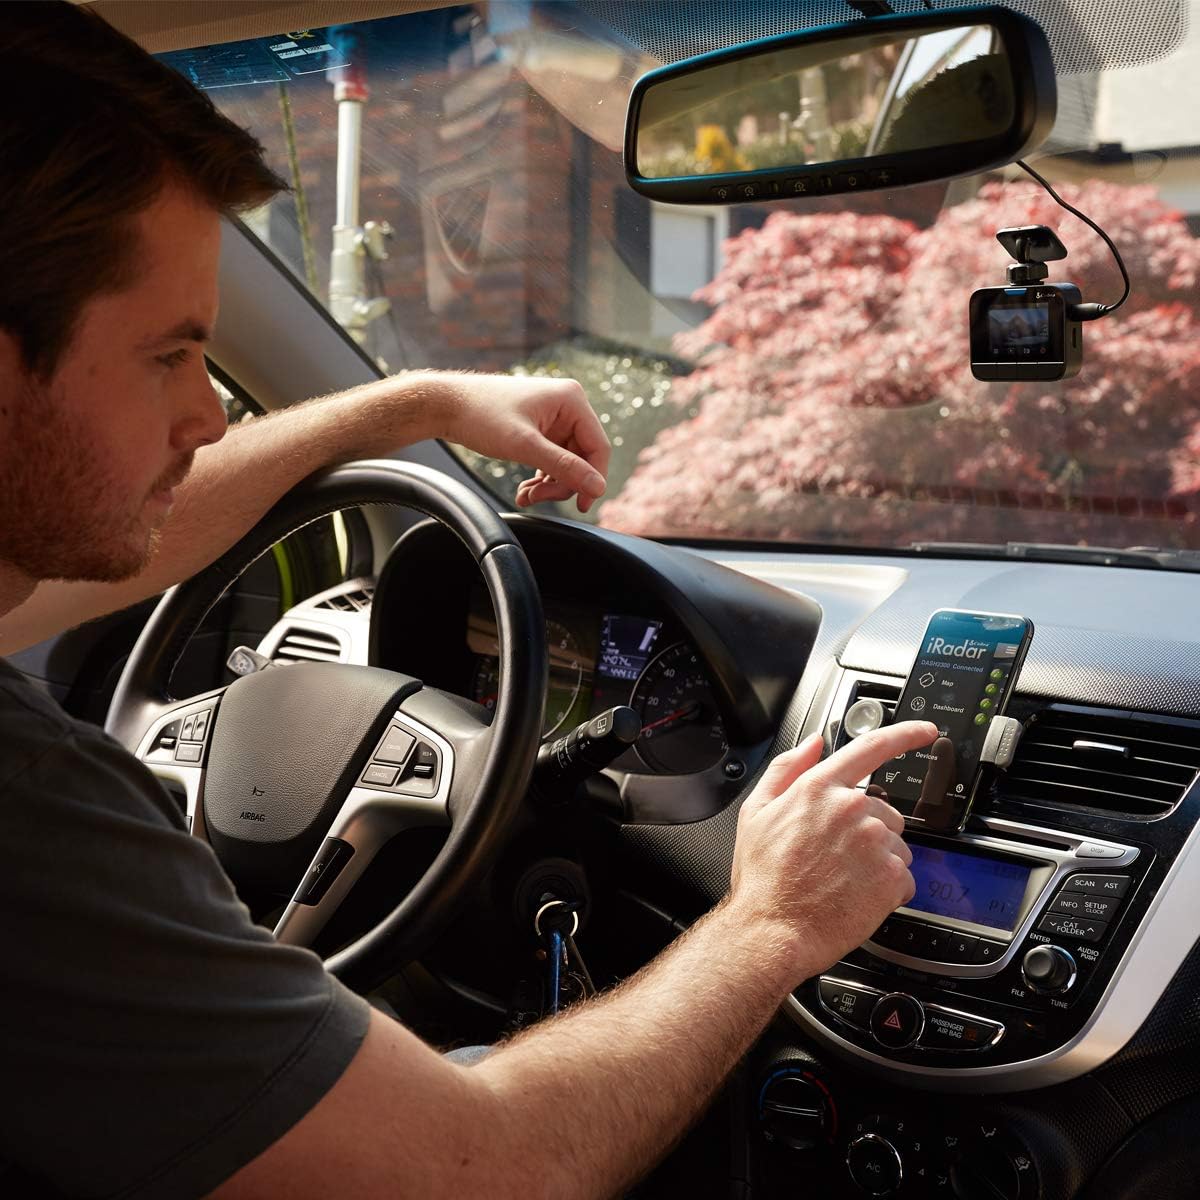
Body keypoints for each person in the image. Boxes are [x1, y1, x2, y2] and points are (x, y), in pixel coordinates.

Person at [0, 4, 936, 1197]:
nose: (207, 416)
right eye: (168, 355)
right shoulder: (35, 821)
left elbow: (125, 526)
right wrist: (771, 923)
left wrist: (410, 404)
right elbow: (487, 1172)